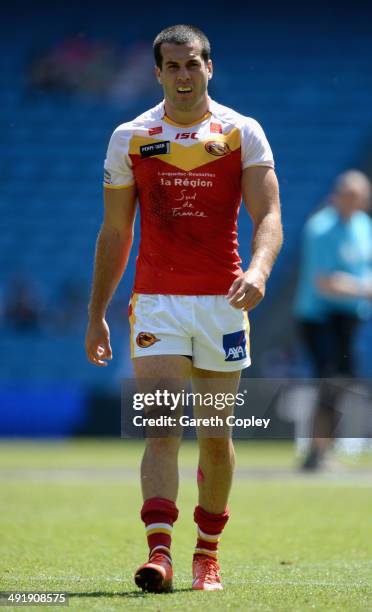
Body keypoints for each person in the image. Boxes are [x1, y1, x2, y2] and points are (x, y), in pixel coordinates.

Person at [85, 24, 282, 593]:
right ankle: (160, 555)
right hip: (157, 306)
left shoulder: (243, 132)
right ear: (158, 73)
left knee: (216, 439)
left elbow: (269, 217)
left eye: (192, 64)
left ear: (209, 68)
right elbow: (115, 231)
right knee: (162, 430)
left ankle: (208, 553)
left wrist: (260, 270)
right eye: (172, 66)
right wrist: (97, 310)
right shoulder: (131, 136)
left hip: (223, 302)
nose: (183, 74)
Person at [293, 170, 372, 470]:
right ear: (337, 196)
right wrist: (365, 289)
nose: (355, 203)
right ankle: (316, 450)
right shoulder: (321, 228)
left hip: (350, 316)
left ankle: (324, 448)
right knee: (328, 377)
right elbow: (324, 282)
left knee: (344, 381)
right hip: (319, 317)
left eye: (360, 198)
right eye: (350, 196)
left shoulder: (364, 225)